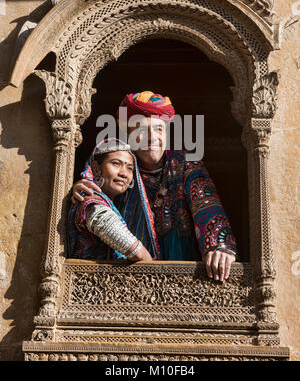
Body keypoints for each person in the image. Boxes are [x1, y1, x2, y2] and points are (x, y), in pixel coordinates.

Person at [71, 91, 237, 282]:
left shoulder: (185, 163)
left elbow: (207, 205)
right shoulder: (120, 167)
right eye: (141, 131)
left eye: (159, 129)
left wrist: (219, 247)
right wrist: (81, 192)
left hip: (184, 275)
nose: (152, 137)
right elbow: (93, 203)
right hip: (127, 276)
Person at [68, 138, 156, 262]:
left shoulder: (113, 206)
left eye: (130, 168)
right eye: (116, 163)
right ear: (96, 168)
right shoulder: (91, 202)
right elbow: (138, 254)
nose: (124, 173)